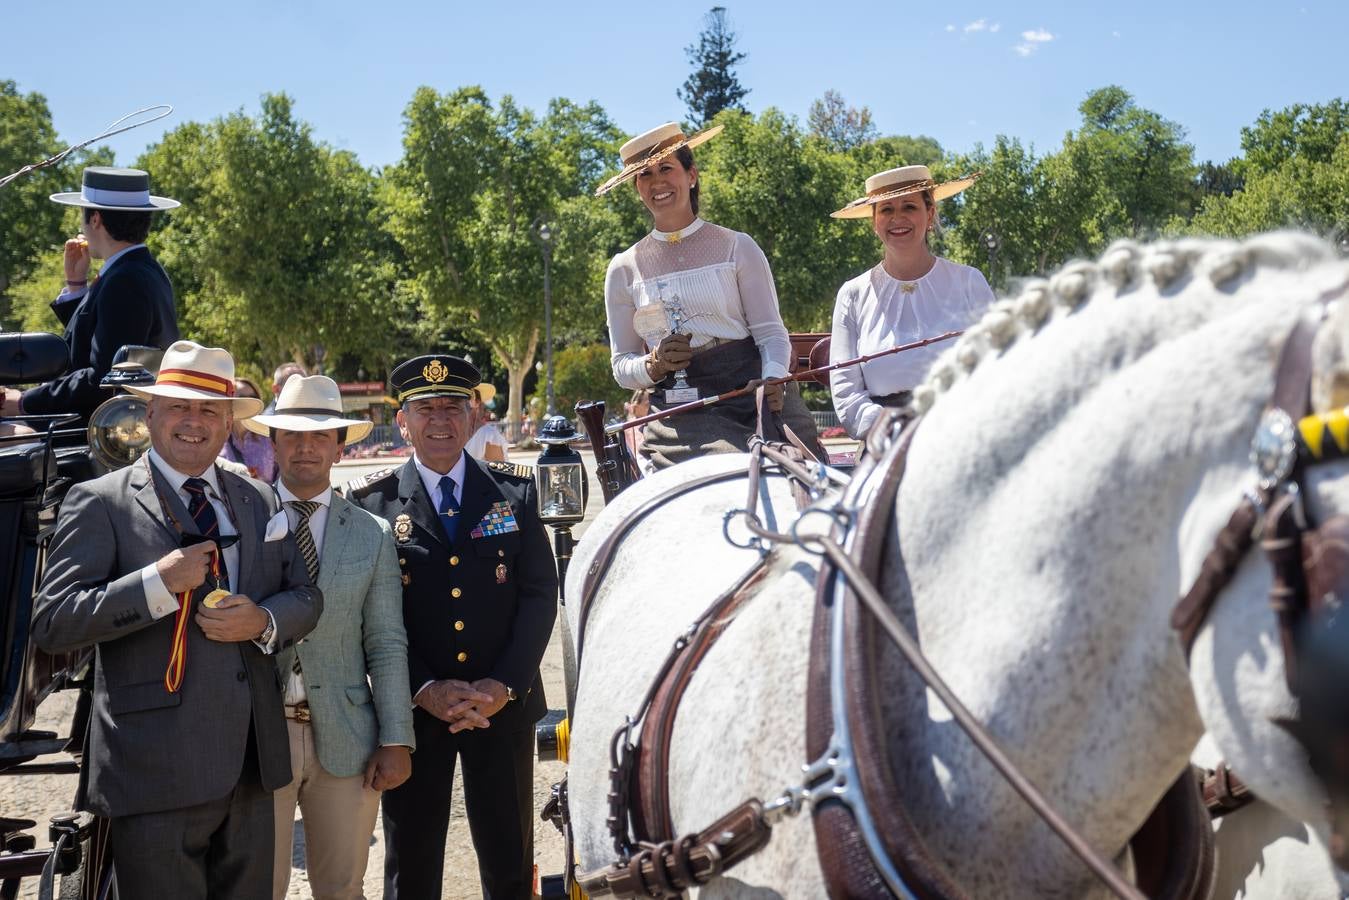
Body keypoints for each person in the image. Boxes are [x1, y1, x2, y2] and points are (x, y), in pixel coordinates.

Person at [31, 340, 322, 897]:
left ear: (227, 423)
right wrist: (155, 585)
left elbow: (306, 597)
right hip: (152, 771)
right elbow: (54, 621)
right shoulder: (99, 501)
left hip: (253, 765)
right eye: (180, 407)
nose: (195, 422)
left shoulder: (259, 498)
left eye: (209, 410)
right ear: (150, 414)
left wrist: (262, 619)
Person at [346, 354, 558, 900]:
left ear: (473, 418)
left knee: (509, 860)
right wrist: (422, 688)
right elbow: (367, 612)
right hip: (412, 710)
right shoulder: (373, 503)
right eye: (424, 409)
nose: (439, 420)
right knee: (410, 865)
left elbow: (538, 595)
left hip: (500, 709)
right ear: (403, 422)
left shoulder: (516, 493)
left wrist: (503, 685)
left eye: (451, 408)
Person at [243, 375, 414, 900]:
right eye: (292, 434)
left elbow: (385, 642)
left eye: (321, 435)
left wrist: (396, 737)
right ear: (272, 442)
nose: (305, 446)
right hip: (254, 740)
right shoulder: (240, 518)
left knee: (342, 889)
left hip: (346, 740)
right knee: (256, 889)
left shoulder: (371, 533)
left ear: (342, 447)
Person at [597, 122, 822, 468]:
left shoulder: (738, 247)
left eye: (666, 168)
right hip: (679, 412)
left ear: (692, 175)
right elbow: (621, 364)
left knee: (811, 475)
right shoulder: (623, 269)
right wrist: (653, 365)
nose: (656, 181)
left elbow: (771, 333)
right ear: (637, 188)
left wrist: (773, 379)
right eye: (644, 175)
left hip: (754, 391)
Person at [2, 167, 180, 423]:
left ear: (95, 219)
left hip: (99, 435)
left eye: (82, 217)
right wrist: (76, 286)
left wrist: (23, 401)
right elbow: (97, 344)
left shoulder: (123, 279)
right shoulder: (146, 270)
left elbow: (102, 377)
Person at [829, 165, 994, 438]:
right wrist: (891, 427)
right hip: (884, 440)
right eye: (886, 210)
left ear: (930, 214)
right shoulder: (852, 295)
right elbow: (847, 394)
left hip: (960, 433)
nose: (898, 218)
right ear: (874, 222)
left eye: (909, 206)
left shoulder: (969, 283)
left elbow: (994, 367)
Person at [219, 376, 278, 481]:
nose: (250, 401)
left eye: (253, 397)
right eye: (242, 397)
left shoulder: (268, 436)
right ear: (230, 402)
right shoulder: (217, 438)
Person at [464, 383, 508, 461]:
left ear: (477, 402)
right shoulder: (448, 433)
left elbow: (497, 472)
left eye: (467, 396)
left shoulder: (489, 436)